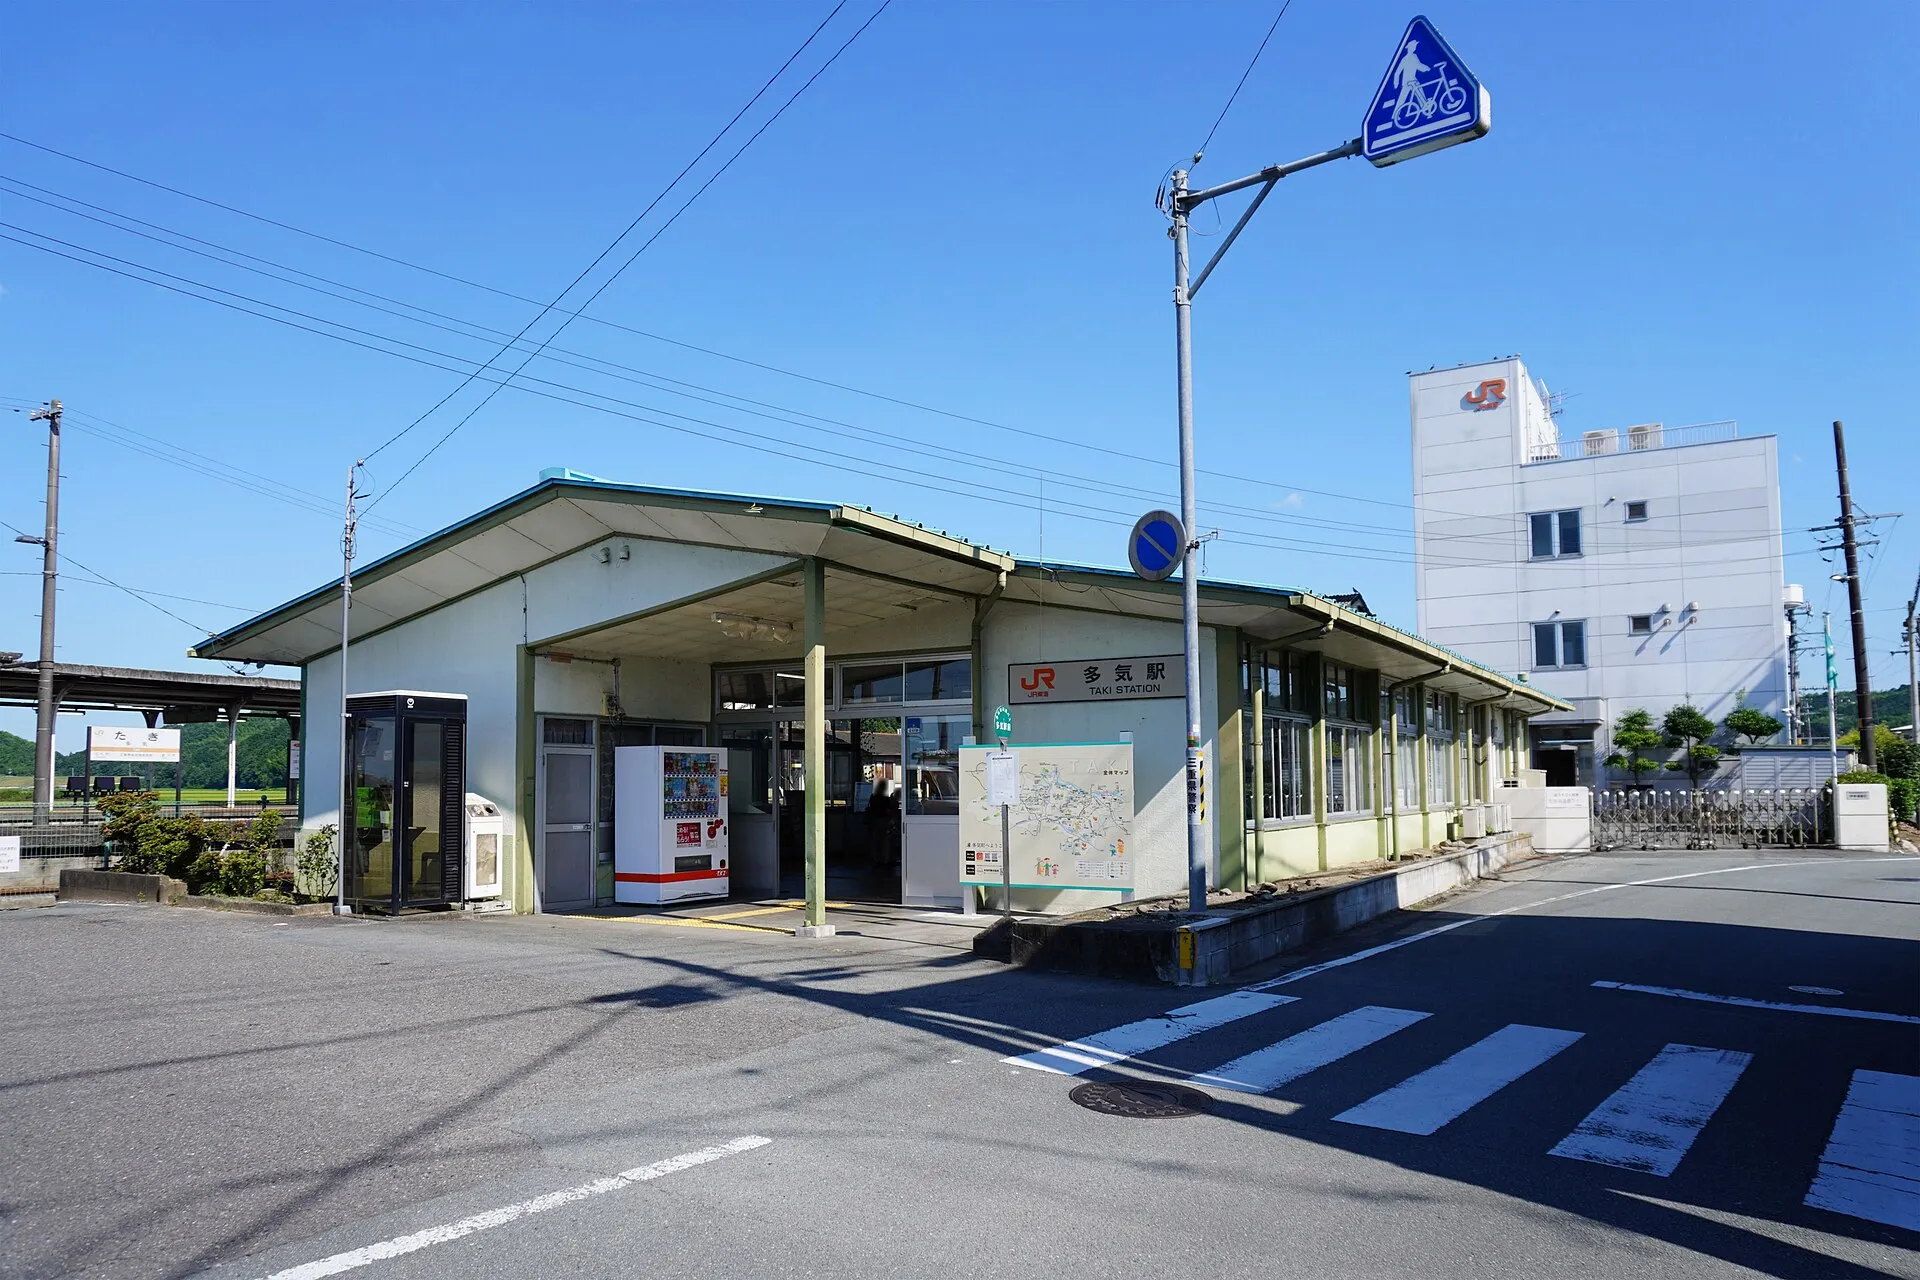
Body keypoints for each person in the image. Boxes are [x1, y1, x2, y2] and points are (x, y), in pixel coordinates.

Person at [1390, 38, 1431, 122]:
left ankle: (1426, 109)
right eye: (1414, 46)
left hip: (1413, 80)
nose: (1415, 47)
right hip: (1408, 82)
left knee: (1419, 92)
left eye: (1415, 46)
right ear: (1410, 48)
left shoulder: (1414, 56)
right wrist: (1395, 83)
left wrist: (1426, 68)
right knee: (1403, 98)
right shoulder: (1405, 59)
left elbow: (1418, 65)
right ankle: (1395, 115)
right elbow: (1397, 72)